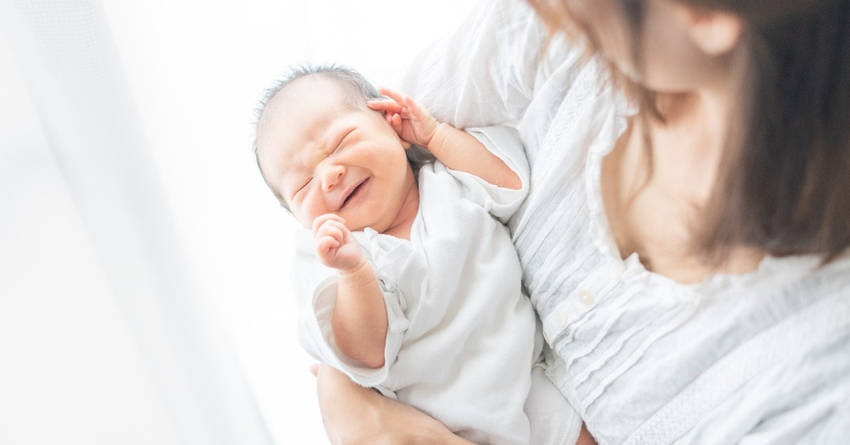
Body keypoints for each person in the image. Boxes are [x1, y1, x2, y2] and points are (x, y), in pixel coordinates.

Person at [309, 0, 850, 443]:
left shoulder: (813, 390)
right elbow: (330, 154)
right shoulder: (560, 38)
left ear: (707, 18)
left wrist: (378, 430)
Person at [253, 65, 579, 444]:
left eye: (340, 142)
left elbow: (511, 184)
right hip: (434, 427)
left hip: (530, 388)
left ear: (391, 125)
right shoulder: (328, 256)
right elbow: (366, 353)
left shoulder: (447, 182)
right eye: (304, 184)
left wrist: (438, 136)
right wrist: (354, 273)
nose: (329, 175)